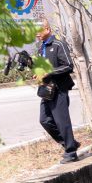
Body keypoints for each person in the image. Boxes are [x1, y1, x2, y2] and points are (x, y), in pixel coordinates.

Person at [35, 19, 79, 164]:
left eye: (39, 30)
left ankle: (71, 152)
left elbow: (68, 66)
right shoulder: (40, 48)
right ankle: (69, 142)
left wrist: (49, 72)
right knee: (45, 120)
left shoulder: (58, 44)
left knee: (62, 121)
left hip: (59, 89)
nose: (36, 34)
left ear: (47, 29)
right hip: (46, 89)